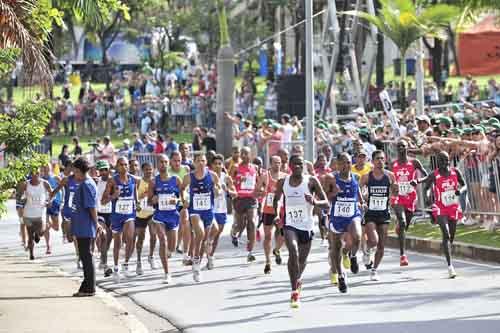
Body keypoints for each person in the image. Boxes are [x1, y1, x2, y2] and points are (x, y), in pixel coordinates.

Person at [273, 155, 329, 308]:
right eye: (295, 164)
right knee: (293, 251)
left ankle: (297, 279)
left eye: (300, 164)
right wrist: (277, 214)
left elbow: (326, 203)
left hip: (307, 226)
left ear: (303, 165)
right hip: (290, 224)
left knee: (301, 261)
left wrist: (315, 201)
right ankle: (294, 291)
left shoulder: (311, 181)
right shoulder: (282, 182)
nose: (298, 166)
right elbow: (277, 200)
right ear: (289, 165)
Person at [411, 151, 466, 278]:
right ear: (437, 161)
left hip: (453, 207)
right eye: (441, 160)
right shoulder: (435, 174)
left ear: (448, 160)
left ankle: (447, 249)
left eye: (445, 160)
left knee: (450, 236)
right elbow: (425, 180)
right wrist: (417, 182)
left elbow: (464, 185)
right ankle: (450, 266)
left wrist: (460, 191)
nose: (443, 163)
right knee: (446, 233)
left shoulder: (455, 172)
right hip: (440, 207)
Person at [324, 153, 364, 293]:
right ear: (337, 164)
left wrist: (361, 201)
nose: (346, 166)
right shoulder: (331, 179)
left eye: (348, 162)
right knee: (336, 247)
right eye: (342, 163)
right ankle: (341, 276)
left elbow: (356, 189)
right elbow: (324, 197)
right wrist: (333, 193)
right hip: (337, 216)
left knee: (357, 237)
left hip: (352, 214)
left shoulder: (355, 177)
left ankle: (352, 256)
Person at [182, 152, 221, 282]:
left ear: (206, 162)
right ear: (194, 162)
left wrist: (217, 191)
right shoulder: (189, 177)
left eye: (203, 161)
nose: (201, 163)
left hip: (208, 210)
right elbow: (182, 189)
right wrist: (185, 199)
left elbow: (219, 188)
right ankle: (196, 265)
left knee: (204, 239)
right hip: (195, 210)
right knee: (200, 234)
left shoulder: (212, 175)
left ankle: (197, 262)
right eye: (198, 161)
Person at [359, 150, 398, 281]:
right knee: (373, 241)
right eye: (377, 159)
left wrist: (395, 190)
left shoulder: (390, 176)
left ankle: (374, 270)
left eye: (382, 159)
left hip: (384, 213)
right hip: (370, 213)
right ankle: (367, 250)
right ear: (373, 161)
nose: (380, 161)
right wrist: (362, 199)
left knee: (381, 245)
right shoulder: (366, 177)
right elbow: (358, 190)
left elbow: (395, 193)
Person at [102, 156, 138, 283]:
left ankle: (126, 264)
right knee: (117, 242)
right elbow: (103, 201)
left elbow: (138, 192)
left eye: (126, 165)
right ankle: (116, 268)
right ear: (117, 166)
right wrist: (114, 196)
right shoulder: (112, 181)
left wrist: (138, 203)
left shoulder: (133, 179)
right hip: (116, 215)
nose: (124, 167)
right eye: (122, 165)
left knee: (130, 237)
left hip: (129, 214)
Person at [391, 140, 427, 266]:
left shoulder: (414, 162)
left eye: (403, 146)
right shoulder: (392, 164)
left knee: (405, 226)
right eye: (399, 146)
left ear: (407, 148)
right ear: (396, 149)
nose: (401, 148)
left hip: (410, 197)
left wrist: (417, 180)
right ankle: (403, 255)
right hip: (397, 197)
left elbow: (426, 175)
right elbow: (388, 180)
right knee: (402, 221)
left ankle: (400, 228)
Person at [148, 155, 183, 284]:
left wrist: (177, 200)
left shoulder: (176, 180)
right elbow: (149, 201)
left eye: (165, 162)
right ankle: (167, 273)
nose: (163, 164)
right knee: (162, 240)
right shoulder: (153, 181)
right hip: (159, 216)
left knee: (172, 247)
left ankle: (167, 253)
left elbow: (183, 199)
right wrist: (153, 200)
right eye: (161, 162)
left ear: (169, 164)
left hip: (172, 215)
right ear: (157, 165)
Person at [70, 157, 99, 297]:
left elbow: (91, 207)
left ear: (81, 171)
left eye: (75, 171)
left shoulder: (87, 184)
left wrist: (96, 223)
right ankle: (87, 284)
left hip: (85, 226)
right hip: (81, 225)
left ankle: (89, 287)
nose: (74, 174)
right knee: (84, 255)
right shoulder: (86, 183)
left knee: (86, 256)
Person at [256, 155, 287, 274]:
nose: (277, 165)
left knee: (283, 234)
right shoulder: (265, 176)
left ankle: (277, 250)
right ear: (270, 164)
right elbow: (256, 191)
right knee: (268, 236)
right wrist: (262, 192)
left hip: (282, 210)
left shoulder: (285, 177)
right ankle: (268, 262)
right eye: (275, 162)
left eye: (279, 162)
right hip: (268, 209)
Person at [209, 154, 236, 269]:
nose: (218, 166)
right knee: (210, 234)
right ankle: (204, 254)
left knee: (216, 235)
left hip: (222, 210)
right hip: (209, 209)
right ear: (211, 165)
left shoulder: (226, 177)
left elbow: (235, 194)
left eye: (220, 164)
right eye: (215, 164)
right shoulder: (208, 176)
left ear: (223, 165)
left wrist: (228, 190)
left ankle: (210, 256)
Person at [230, 147, 258, 261]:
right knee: (240, 224)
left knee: (252, 222)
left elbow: (259, 182)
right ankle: (234, 233)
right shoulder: (236, 167)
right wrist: (237, 181)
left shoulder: (255, 168)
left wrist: (260, 192)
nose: (244, 155)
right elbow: (229, 182)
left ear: (251, 155)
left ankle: (250, 251)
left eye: (246, 153)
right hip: (239, 198)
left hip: (251, 198)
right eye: (242, 153)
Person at [19, 169, 52, 260]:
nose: (35, 175)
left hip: (40, 214)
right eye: (33, 173)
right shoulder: (26, 184)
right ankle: (31, 254)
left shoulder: (44, 183)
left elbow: (51, 193)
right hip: (28, 214)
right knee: (30, 236)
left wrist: (49, 201)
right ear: (30, 175)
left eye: (37, 173)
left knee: (41, 232)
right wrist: (21, 200)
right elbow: (19, 196)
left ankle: (37, 234)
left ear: (40, 173)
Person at [168, 151, 192, 265]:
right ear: (170, 161)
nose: (177, 163)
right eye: (175, 161)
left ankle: (185, 255)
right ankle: (172, 246)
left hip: (183, 201)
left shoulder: (186, 169)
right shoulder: (166, 171)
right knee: (172, 228)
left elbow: (189, 185)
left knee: (185, 222)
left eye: (179, 160)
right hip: (169, 202)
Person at [134, 162, 157, 275]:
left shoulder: (155, 182)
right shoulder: (139, 182)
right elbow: (135, 197)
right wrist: (141, 197)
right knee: (141, 238)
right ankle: (138, 261)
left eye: (150, 169)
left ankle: (151, 256)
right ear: (143, 171)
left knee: (153, 234)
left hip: (152, 212)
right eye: (146, 169)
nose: (149, 171)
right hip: (141, 213)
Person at [95, 160, 113, 277]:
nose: (104, 172)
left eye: (105, 169)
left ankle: (102, 260)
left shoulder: (114, 181)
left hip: (112, 214)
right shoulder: (96, 182)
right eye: (101, 170)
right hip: (100, 213)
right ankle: (106, 265)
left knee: (108, 241)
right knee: (104, 235)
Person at [41, 164, 62, 255]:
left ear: (50, 168)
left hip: (55, 203)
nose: (46, 170)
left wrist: (62, 201)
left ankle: (49, 224)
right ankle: (48, 246)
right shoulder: (41, 180)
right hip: (44, 204)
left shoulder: (56, 178)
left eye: (47, 168)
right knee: (45, 225)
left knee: (57, 227)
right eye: (44, 168)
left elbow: (63, 188)